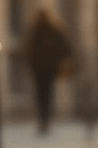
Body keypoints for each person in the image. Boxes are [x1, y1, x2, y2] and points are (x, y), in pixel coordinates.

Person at [22, 7, 73, 135]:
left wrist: (30, 63)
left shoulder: (36, 31)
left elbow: (28, 49)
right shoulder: (51, 31)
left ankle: (43, 120)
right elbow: (65, 48)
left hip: (40, 69)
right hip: (48, 69)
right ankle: (45, 119)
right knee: (47, 94)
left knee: (41, 95)